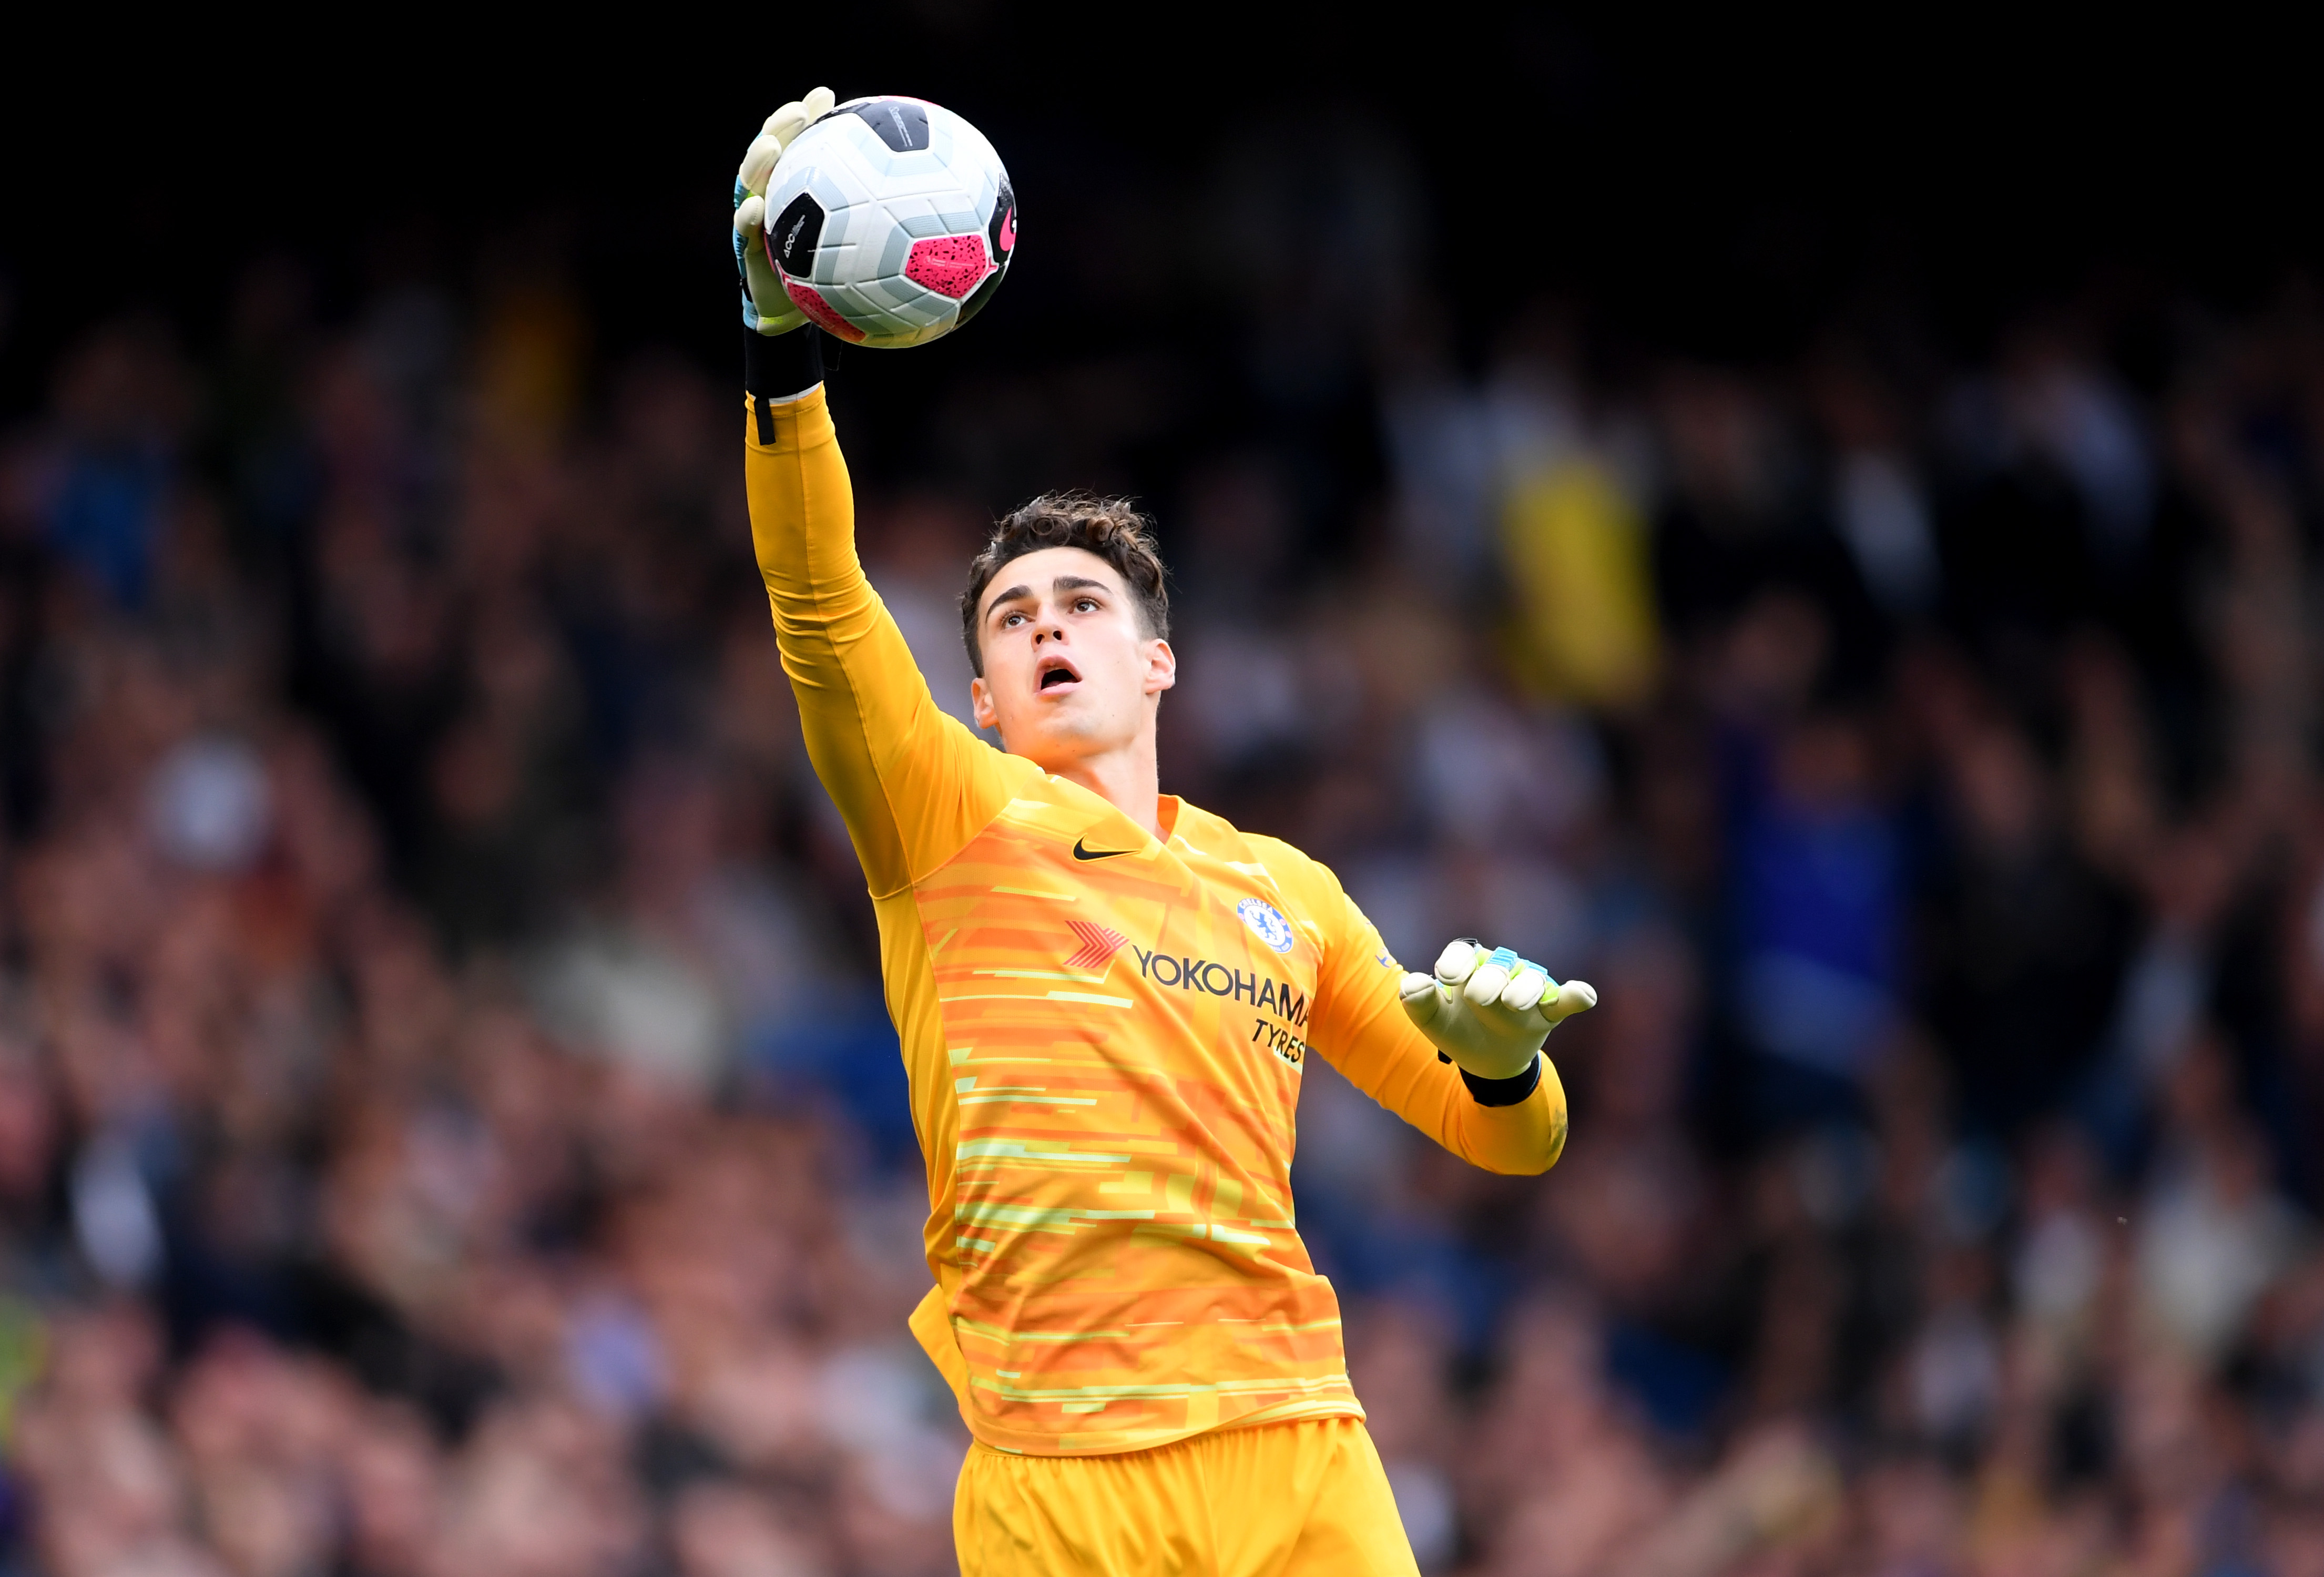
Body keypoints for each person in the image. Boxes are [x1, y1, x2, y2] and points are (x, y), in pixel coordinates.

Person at [731, 89, 1598, 1577]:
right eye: (1011, 620)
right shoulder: (944, 814)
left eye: (1083, 606)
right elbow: (818, 606)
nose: (1046, 628)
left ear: (1159, 664)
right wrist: (774, 343)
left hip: (1294, 1449)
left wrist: (1504, 1058)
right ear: (985, 701)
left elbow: (1505, 1141)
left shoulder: (1280, 889)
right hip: (1055, 1473)